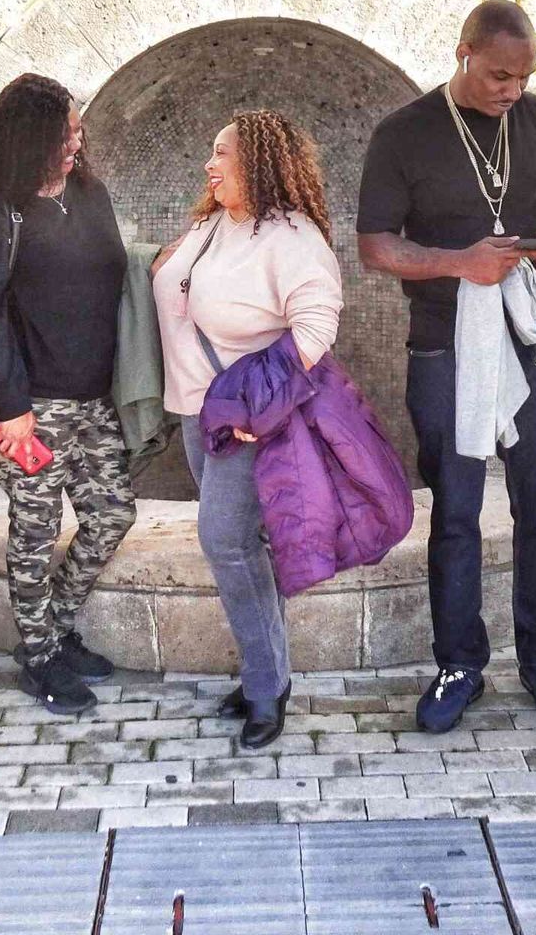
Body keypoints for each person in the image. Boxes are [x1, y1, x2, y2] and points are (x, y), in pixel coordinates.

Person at [357, 0, 536, 734]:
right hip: (445, 342)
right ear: (463, 54)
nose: (511, 90)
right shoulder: (404, 134)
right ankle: (459, 664)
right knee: (455, 513)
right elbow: (375, 245)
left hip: (534, 335)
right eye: (498, 76)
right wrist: (462, 264)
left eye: (523, 77)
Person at [153, 110, 344, 750]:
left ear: (259, 163)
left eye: (222, 154)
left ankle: (266, 688)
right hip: (193, 409)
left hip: (243, 424)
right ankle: (272, 672)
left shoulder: (291, 238)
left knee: (226, 543)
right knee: (240, 546)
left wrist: (259, 407)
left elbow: (316, 329)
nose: (210, 165)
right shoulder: (211, 225)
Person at [0, 74, 134, 716]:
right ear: (30, 137)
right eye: (64, 133)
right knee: (36, 527)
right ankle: (41, 656)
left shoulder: (89, 194)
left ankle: (50, 632)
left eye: (79, 130)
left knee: (113, 514)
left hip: (91, 397)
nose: (76, 143)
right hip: (29, 403)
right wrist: (12, 407)